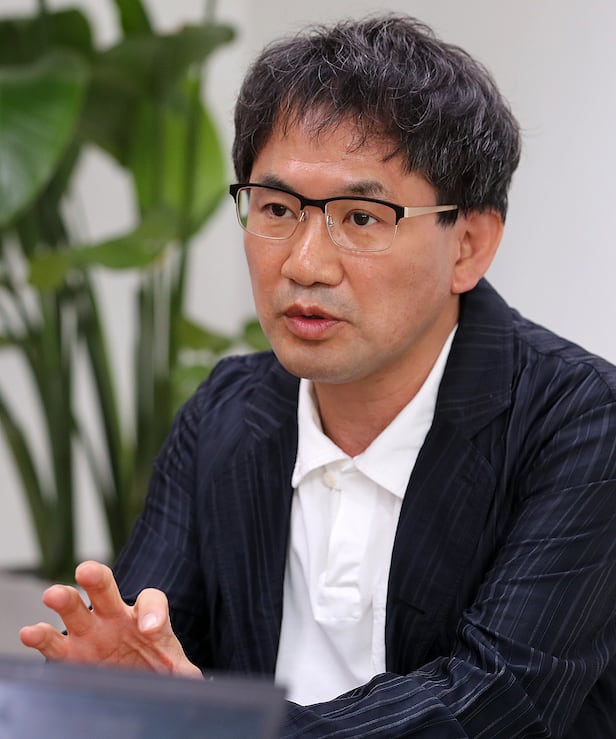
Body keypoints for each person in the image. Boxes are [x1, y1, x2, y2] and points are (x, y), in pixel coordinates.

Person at [20, 14, 616, 737]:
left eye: (361, 218)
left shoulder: (579, 420)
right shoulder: (226, 412)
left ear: (469, 244)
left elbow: (496, 701)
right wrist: (111, 686)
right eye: (276, 208)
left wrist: (227, 725)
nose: (304, 263)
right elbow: (146, 653)